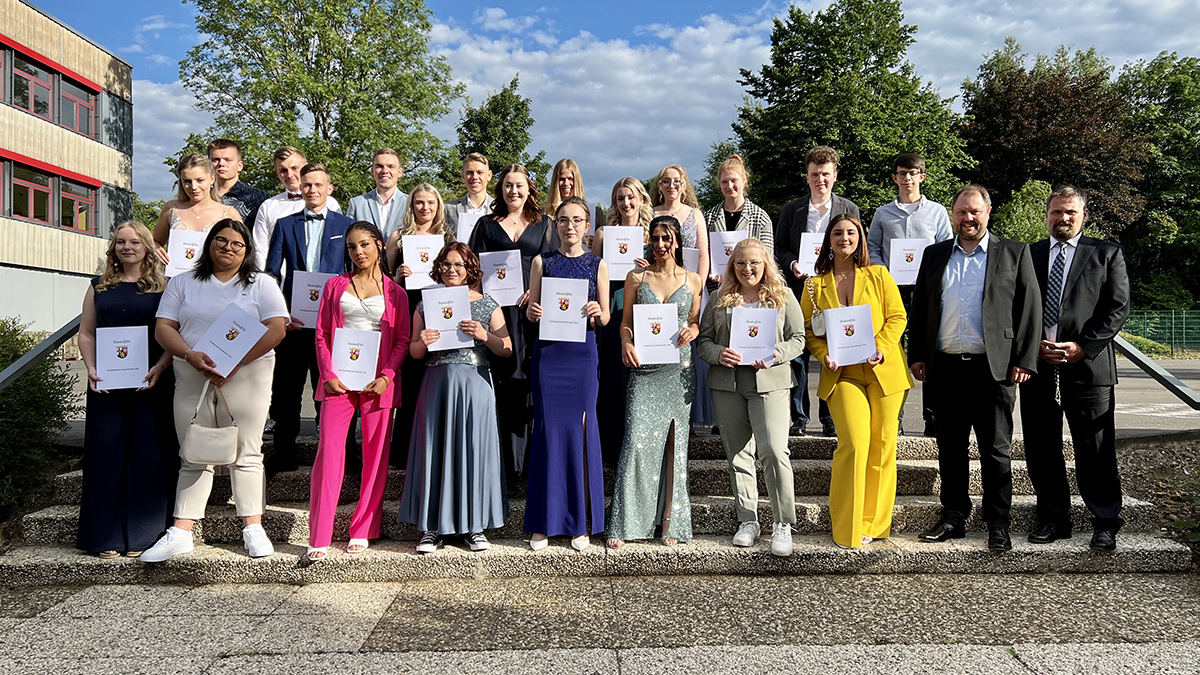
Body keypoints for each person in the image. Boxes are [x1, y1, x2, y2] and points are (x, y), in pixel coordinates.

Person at [141, 219, 288, 562]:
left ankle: (252, 526)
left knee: (247, 451)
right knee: (193, 450)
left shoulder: (260, 284)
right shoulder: (182, 282)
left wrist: (236, 362)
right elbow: (164, 328)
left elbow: (277, 329)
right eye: (221, 241)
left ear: (247, 250)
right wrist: (190, 355)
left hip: (247, 373)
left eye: (237, 244)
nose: (228, 248)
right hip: (193, 373)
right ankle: (180, 531)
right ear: (210, 243)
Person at [909, 185, 1041, 552]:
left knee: (995, 449)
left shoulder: (1014, 252)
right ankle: (953, 516)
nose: (968, 218)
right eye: (961, 212)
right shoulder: (935, 255)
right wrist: (917, 354)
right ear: (953, 214)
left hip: (994, 370)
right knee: (949, 446)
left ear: (988, 211)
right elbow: (921, 307)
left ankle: (998, 521)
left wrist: (1025, 359)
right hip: (945, 367)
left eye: (974, 212)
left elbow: (1030, 310)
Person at [1019, 186, 1130, 551]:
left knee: (1094, 447)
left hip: (1088, 367)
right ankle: (1053, 518)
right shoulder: (1028, 254)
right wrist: (1029, 344)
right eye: (1056, 212)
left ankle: (1104, 521)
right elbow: (1015, 305)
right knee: (1040, 446)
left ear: (1084, 216)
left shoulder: (1106, 253)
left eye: (1070, 212)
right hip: (1038, 365)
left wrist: (1083, 347)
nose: (1062, 218)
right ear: (1046, 215)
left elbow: (1117, 308)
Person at [801, 215, 912, 549]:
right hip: (843, 374)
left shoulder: (878, 275)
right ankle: (847, 526)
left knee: (882, 447)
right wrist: (823, 356)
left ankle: (873, 524)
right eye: (837, 233)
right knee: (853, 443)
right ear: (828, 241)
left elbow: (898, 316)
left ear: (860, 239)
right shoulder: (813, 284)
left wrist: (881, 346)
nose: (844, 238)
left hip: (884, 371)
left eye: (851, 233)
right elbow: (809, 330)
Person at [307, 221, 411, 562]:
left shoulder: (397, 293)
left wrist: (386, 376)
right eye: (352, 247)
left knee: (375, 458)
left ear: (379, 245)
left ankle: (364, 528)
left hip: (377, 383)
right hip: (339, 381)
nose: (358, 252)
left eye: (364, 244)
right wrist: (328, 374)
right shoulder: (336, 286)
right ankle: (319, 534)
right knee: (329, 455)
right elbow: (322, 333)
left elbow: (401, 340)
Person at [398, 243, 512, 553]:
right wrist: (421, 340)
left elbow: (506, 348)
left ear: (470, 269)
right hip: (438, 383)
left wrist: (484, 335)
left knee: (474, 451)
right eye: (447, 265)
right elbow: (414, 352)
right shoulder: (424, 305)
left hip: (476, 386)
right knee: (436, 451)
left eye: (459, 265)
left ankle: (474, 527)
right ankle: (432, 528)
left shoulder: (488, 305)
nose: (452, 270)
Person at [696, 238, 803, 556]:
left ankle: (783, 522)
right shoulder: (718, 298)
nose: (747, 268)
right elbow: (703, 341)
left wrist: (776, 352)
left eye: (754, 262)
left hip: (770, 382)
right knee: (739, 455)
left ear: (766, 264)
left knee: (772, 451)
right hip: (727, 384)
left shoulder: (782, 298)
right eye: (740, 263)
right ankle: (748, 520)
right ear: (732, 266)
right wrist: (718, 354)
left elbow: (799, 339)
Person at [76, 221, 177, 558]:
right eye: (120, 242)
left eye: (134, 242)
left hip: (152, 381)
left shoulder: (164, 288)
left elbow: (176, 335)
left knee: (149, 455)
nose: (127, 247)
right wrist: (90, 367)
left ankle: (143, 536)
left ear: (148, 246)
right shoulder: (98, 287)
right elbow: (87, 333)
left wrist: (161, 367)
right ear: (113, 248)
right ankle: (104, 538)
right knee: (106, 457)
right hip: (106, 385)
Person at [606, 215, 702, 548]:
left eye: (667, 238)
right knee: (635, 442)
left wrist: (694, 329)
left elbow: (694, 321)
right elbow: (626, 323)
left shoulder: (694, 279)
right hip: (645, 371)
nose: (661, 245)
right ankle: (624, 522)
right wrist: (626, 343)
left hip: (678, 372)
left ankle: (670, 524)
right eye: (656, 238)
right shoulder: (636, 277)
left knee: (675, 447)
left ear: (677, 241)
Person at [524, 197, 611, 551]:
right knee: (547, 433)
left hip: (582, 355)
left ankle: (581, 522)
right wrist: (532, 311)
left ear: (586, 225)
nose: (570, 226)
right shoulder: (542, 261)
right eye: (563, 220)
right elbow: (532, 311)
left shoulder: (597, 264)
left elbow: (605, 317)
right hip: (549, 355)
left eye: (577, 220)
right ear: (555, 224)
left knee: (581, 434)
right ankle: (543, 522)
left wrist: (596, 310)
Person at [468, 164, 557, 480]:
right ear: (500, 189)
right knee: (501, 375)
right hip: (496, 313)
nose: (513, 191)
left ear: (529, 189)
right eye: (508, 186)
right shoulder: (485, 224)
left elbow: (555, 266)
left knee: (530, 376)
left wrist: (537, 290)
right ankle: (502, 463)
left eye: (519, 186)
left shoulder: (546, 224)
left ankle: (530, 462)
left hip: (533, 313)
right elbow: (472, 271)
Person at [264, 162, 354, 474]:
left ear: (329, 189)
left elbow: (354, 272)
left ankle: (341, 453)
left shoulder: (347, 225)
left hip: (333, 323)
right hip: (295, 322)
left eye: (318, 185)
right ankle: (284, 452)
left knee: (331, 388)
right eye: (307, 185)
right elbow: (271, 273)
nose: (312, 190)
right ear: (299, 189)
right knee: (287, 390)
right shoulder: (285, 224)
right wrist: (280, 312)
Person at [775, 145, 860, 437]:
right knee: (798, 355)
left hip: (836, 289)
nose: (819, 180)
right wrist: (794, 263)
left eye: (825, 174)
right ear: (807, 176)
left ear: (834, 176)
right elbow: (780, 247)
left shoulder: (849, 209)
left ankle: (830, 417)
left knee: (832, 352)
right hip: (800, 288)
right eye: (814, 175)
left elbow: (856, 246)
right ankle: (798, 417)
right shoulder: (792, 209)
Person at [866, 153, 952, 437]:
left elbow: (946, 249)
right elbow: (872, 249)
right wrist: (883, 273)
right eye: (902, 173)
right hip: (891, 289)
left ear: (922, 176)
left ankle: (933, 417)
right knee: (891, 349)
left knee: (928, 348)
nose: (907, 178)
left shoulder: (938, 212)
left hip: (926, 289)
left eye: (912, 173)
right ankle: (895, 417)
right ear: (895, 178)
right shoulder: (882, 214)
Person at [385, 183, 455, 469]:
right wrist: (399, 276)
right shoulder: (397, 238)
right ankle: (403, 453)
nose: (425, 208)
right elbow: (386, 284)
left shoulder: (447, 238)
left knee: (438, 380)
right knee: (411, 381)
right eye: (419, 203)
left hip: (439, 311)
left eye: (430, 203)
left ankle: (435, 451)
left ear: (438, 206)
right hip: (408, 310)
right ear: (411, 206)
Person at [592, 177, 654, 465]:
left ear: (641, 199)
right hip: (612, 309)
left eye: (631, 197)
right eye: (620, 198)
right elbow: (592, 272)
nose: (626, 203)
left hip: (642, 312)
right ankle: (611, 446)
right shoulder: (605, 233)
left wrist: (649, 269)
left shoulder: (651, 234)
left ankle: (639, 448)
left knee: (638, 379)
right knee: (613, 378)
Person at [252, 146, 342, 271]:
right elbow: (260, 251)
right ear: (277, 173)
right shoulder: (267, 207)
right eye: (283, 170)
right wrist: (266, 282)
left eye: (294, 168)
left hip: (327, 281)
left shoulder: (330, 203)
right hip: (283, 284)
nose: (289, 175)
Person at [152, 154, 240, 265]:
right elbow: (155, 242)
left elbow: (242, 251)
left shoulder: (229, 213)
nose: (193, 187)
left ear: (212, 179)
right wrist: (156, 250)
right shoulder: (171, 209)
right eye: (187, 181)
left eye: (200, 180)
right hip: (177, 279)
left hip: (214, 278)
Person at [650, 164, 709, 282]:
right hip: (658, 281)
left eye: (677, 181)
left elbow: (703, 255)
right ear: (660, 186)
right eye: (666, 181)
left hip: (690, 281)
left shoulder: (696, 214)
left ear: (684, 186)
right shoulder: (650, 214)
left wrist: (699, 287)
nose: (672, 185)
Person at [346, 148, 408, 242]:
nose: (385, 171)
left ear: (400, 172)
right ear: (372, 171)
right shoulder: (357, 204)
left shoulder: (410, 204)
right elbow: (349, 240)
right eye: (379, 166)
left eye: (391, 166)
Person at [208, 138, 269, 229]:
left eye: (228, 160)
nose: (221, 164)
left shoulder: (258, 198)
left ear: (239, 166)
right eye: (215, 160)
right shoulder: (198, 195)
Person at [545, 158, 604, 246]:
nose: (566, 183)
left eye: (570, 179)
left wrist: (597, 241)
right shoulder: (545, 216)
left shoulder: (595, 214)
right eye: (562, 179)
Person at [445, 152, 493, 241]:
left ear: (489, 175)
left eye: (480, 172)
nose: (475, 177)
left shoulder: (501, 208)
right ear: (463, 176)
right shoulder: (448, 209)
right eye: (470, 172)